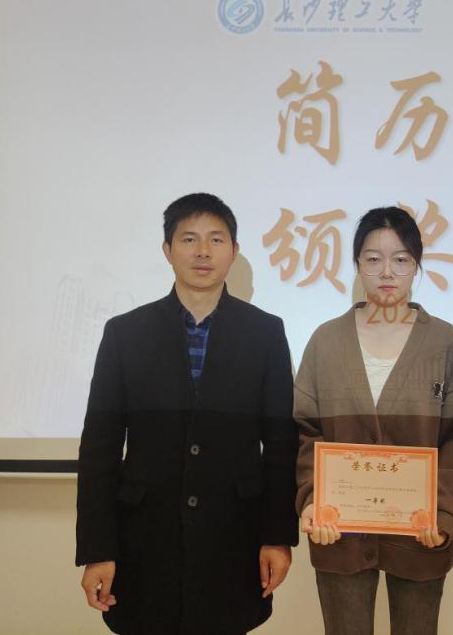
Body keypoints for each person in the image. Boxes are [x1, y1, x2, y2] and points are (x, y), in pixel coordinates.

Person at [76, 193, 298, 635]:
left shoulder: (265, 333)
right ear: (167, 250)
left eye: (216, 239)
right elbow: (100, 449)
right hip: (144, 538)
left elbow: (280, 446)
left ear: (234, 251)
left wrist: (277, 537)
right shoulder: (125, 333)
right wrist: (98, 549)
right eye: (189, 239)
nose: (202, 252)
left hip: (233, 537)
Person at [293, 206, 453, 635]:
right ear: (357, 264)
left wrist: (444, 513)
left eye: (401, 259)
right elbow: (305, 432)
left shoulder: (443, 341)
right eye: (373, 259)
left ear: (417, 265)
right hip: (339, 531)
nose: (387, 271)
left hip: (420, 533)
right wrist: (312, 498)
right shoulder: (326, 340)